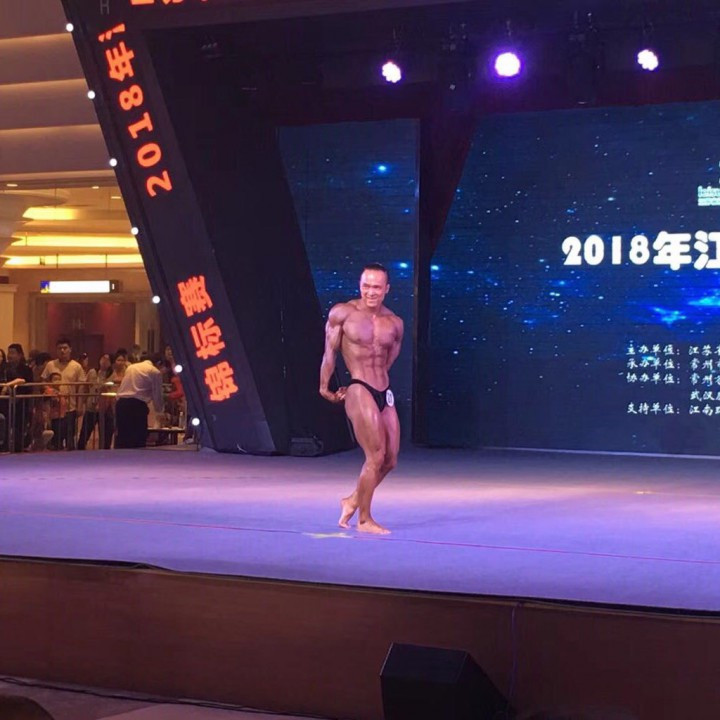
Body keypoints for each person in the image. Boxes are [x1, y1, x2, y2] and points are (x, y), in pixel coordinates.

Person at [319, 263, 403, 534]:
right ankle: (364, 519)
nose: (371, 292)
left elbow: (388, 360)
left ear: (386, 289)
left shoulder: (395, 323)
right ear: (360, 285)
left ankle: (353, 499)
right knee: (375, 456)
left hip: (383, 391)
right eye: (366, 286)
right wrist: (325, 387)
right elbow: (329, 353)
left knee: (390, 460)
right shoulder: (343, 313)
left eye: (376, 287)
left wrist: (379, 381)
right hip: (359, 387)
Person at [41, 337, 84, 450]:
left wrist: (80, 405)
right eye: (59, 348)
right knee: (56, 437)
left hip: (70, 406)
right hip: (55, 408)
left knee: (70, 436)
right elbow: (43, 381)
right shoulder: (50, 365)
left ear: (70, 349)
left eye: (65, 348)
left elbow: (81, 387)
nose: (62, 351)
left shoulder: (77, 366)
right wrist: (50, 392)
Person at [114, 353, 164, 448]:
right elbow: (157, 394)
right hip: (137, 406)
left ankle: (118, 456)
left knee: (122, 437)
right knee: (137, 439)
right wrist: (160, 412)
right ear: (158, 363)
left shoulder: (131, 367)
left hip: (121, 403)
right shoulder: (154, 372)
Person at [3, 344, 34, 451]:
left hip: (21, 403)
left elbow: (26, 383)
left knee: (19, 427)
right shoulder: (5, 368)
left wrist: (9, 387)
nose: (9, 356)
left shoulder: (26, 369)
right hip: (6, 403)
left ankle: (18, 448)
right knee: (6, 425)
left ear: (20, 355)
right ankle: (5, 446)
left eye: (12, 353)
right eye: (9, 352)